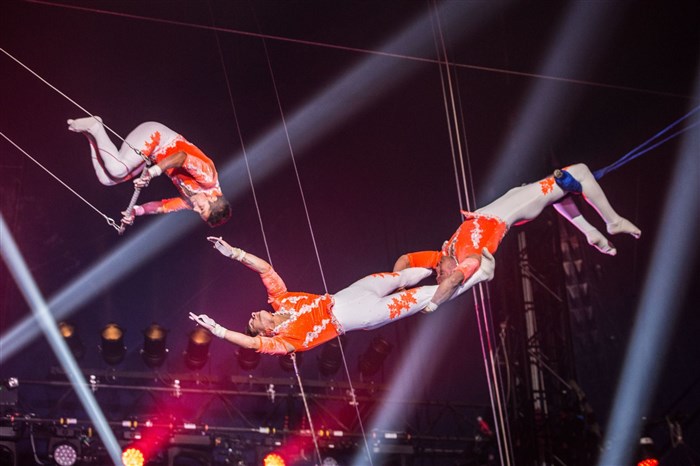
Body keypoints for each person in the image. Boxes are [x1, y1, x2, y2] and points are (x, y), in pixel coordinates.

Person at [393, 163, 641, 312]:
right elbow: (453, 281)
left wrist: (399, 285)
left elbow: (405, 259)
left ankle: (589, 232)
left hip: (506, 202)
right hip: (510, 211)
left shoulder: (441, 255)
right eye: (440, 276)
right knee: (580, 171)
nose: (438, 272)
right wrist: (432, 304)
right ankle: (613, 221)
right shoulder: (469, 260)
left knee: (557, 192)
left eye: (437, 273)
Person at [188, 236, 496, 355]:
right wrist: (219, 330)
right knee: (423, 297)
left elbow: (266, 270)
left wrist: (236, 253)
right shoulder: (285, 341)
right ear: (266, 331)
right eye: (254, 321)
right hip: (358, 316)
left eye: (253, 316)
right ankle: (480, 274)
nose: (254, 314)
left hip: (349, 294)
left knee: (400, 277)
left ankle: (443, 264)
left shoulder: (280, 300)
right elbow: (251, 343)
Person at [67, 116, 231, 227]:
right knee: (117, 170)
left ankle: (91, 135)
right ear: (212, 198)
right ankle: (96, 126)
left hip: (152, 155)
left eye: (199, 212)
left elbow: (162, 207)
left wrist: (137, 211)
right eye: (202, 208)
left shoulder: (193, 200)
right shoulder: (208, 178)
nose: (195, 209)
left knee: (106, 179)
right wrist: (153, 172)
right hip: (156, 137)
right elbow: (181, 157)